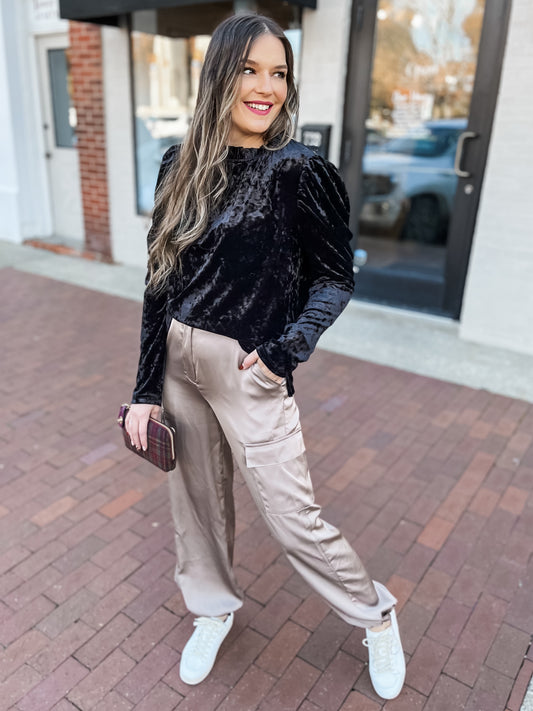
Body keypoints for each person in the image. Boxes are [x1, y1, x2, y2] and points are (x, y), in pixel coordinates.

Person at [126, 12, 405, 701]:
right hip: (180, 363)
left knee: (292, 517)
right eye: (250, 70)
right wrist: (144, 390)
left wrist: (287, 350)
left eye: (278, 73)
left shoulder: (300, 171)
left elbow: (335, 278)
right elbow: (159, 281)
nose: (266, 87)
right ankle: (213, 608)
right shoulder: (178, 164)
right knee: (197, 501)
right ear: (219, 75)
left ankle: (375, 615)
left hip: (252, 369)